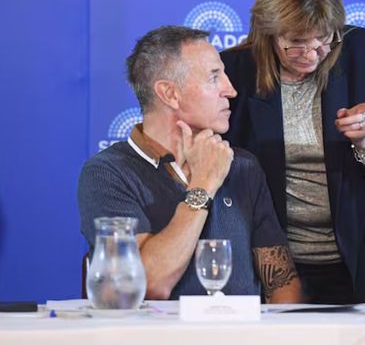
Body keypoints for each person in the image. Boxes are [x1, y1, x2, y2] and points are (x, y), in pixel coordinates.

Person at [221, 0, 365, 304]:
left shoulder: (359, 50)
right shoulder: (234, 70)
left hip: (350, 264)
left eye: (323, 39)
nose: (311, 54)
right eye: (296, 41)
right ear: (269, 30)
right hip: (267, 268)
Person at [78, 26, 302, 301]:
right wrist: (204, 185)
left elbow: (281, 283)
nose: (231, 90)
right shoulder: (108, 173)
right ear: (169, 94)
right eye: (214, 77)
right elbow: (147, 284)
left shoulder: (243, 166)